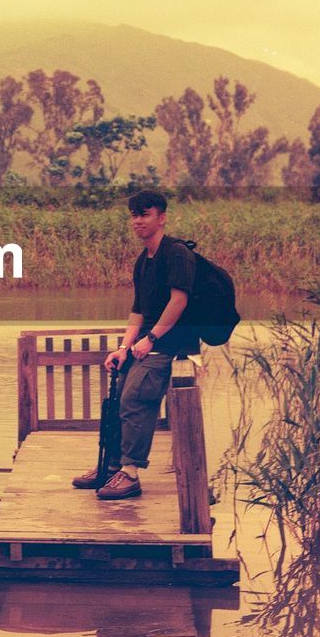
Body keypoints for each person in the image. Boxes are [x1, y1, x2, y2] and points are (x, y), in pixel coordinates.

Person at [73, 189, 199, 500]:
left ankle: (130, 474)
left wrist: (152, 338)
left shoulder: (177, 253)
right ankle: (111, 467)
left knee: (135, 399)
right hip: (145, 344)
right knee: (115, 400)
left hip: (169, 346)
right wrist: (124, 347)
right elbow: (138, 309)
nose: (137, 221)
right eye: (134, 216)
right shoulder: (144, 259)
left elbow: (179, 302)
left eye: (144, 215)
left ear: (162, 218)